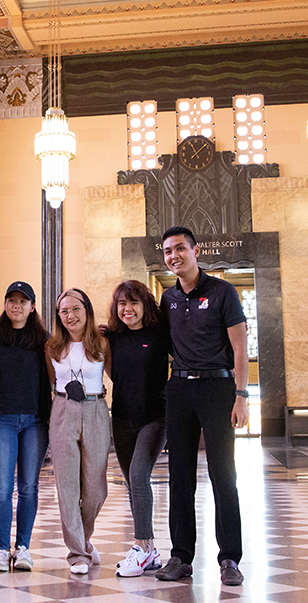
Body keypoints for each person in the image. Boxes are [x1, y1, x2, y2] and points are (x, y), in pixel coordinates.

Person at [156, 225, 247, 587]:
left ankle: (229, 559)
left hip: (219, 388)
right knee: (179, 476)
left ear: (195, 251)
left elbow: (240, 347)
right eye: (167, 251)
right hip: (179, 388)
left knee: (224, 475)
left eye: (180, 249)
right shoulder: (168, 299)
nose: (173, 256)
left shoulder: (223, 292)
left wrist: (242, 395)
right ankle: (181, 556)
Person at [0, 281, 52, 573]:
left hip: (35, 421)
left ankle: (23, 548)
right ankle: (1, 549)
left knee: (29, 487)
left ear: (32, 306)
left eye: (24, 301)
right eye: (12, 300)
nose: (17, 306)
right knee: (1, 488)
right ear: (5, 303)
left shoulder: (43, 339)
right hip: (1, 419)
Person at [105, 280, 170, 578]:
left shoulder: (159, 334)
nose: (127, 309)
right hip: (121, 418)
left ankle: (141, 548)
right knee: (133, 485)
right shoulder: (113, 337)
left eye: (133, 303)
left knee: (138, 475)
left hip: (155, 417)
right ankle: (151, 550)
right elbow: (111, 371)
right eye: (122, 304)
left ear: (145, 305)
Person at [45, 288, 112, 574]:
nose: (70, 315)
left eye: (75, 309)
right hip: (63, 411)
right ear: (58, 316)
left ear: (86, 310)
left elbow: (116, 377)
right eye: (64, 311)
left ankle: (83, 540)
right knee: (67, 488)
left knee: (96, 489)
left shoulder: (103, 344)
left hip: (96, 409)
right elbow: (51, 383)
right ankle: (77, 554)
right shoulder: (51, 346)